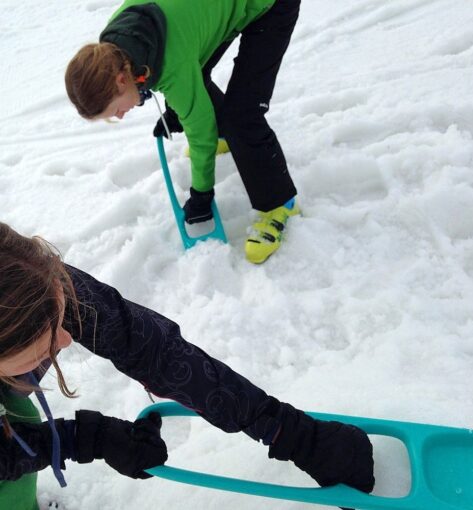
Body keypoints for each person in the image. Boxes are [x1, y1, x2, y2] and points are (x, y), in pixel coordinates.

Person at [0, 222, 375, 510]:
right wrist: (84, 438)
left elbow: (151, 349)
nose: (65, 342)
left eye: (63, 321)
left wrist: (290, 432)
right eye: (47, 340)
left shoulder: (26, 276)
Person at [65, 0, 301, 264]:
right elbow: (180, 47)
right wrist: (177, 108)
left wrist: (202, 193)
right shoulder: (117, 46)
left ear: (122, 80)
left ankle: (278, 203)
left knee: (242, 114)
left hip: (269, 4)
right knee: (198, 78)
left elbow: (199, 131)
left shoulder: (168, 64)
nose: (120, 115)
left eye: (115, 111)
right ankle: (227, 135)